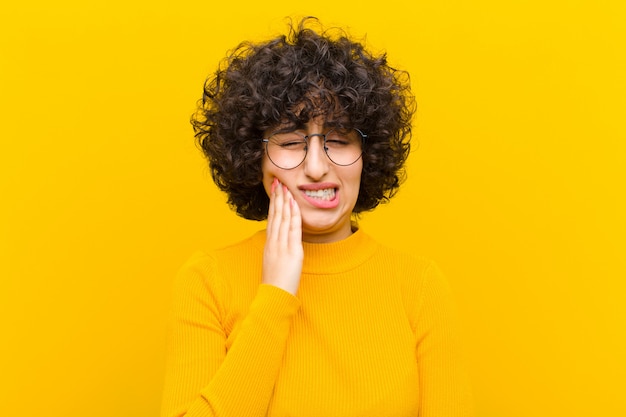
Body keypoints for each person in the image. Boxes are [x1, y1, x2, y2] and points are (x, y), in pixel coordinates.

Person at [161, 17, 473, 417]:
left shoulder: (419, 287)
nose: (316, 167)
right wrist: (275, 296)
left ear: (368, 154)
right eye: (291, 142)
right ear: (254, 158)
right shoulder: (209, 281)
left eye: (338, 141)